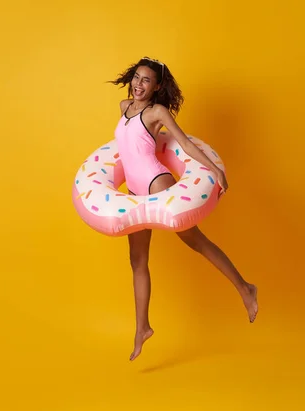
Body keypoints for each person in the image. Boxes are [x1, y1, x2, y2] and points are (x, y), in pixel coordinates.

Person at [109, 56, 258, 361]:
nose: (139, 84)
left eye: (146, 80)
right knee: (137, 261)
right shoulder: (124, 107)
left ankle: (245, 288)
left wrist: (216, 172)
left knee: (196, 241)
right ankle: (142, 328)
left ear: (157, 86)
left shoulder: (157, 112)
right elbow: (125, 147)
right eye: (137, 77)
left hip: (156, 183)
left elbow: (186, 145)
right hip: (134, 190)